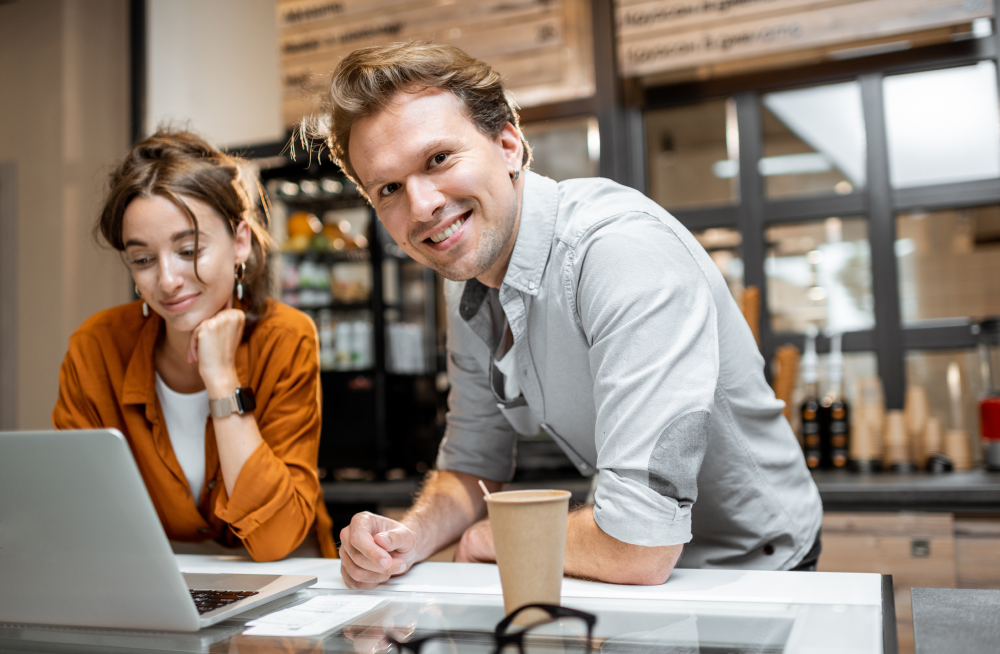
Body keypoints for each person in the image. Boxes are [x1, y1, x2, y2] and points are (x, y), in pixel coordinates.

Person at [330, 41, 822, 588]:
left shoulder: (620, 253)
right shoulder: (468, 280)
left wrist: (491, 538)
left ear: (508, 145)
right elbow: (472, 465)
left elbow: (638, 544)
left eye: (439, 159)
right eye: (389, 188)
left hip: (756, 565)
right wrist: (405, 538)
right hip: (634, 576)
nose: (421, 206)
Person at [53, 130, 337, 562]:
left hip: (286, 579)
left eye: (188, 251)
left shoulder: (285, 337)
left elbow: (277, 538)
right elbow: (74, 521)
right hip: (160, 584)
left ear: (240, 242)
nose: (167, 281)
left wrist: (222, 379)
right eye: (143, 260)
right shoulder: (96, 347)